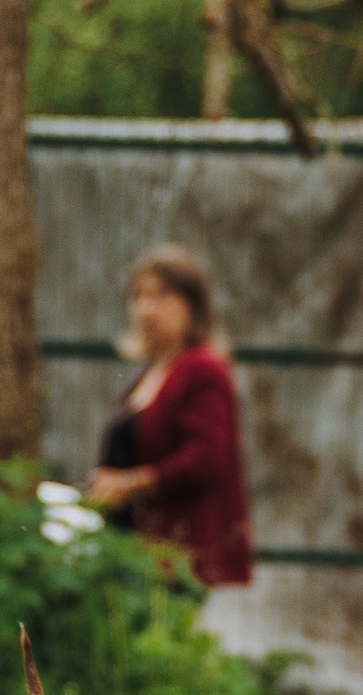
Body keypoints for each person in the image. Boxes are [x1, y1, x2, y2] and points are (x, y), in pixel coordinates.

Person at [85, 247, 254, 588]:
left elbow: (207, 459)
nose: (146, 309)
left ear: (192, 305)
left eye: (161, 296)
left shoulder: (203, 369)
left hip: (182, 555)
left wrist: (130, 484)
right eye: (139, 296)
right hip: (139, 550)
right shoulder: (151, 372)